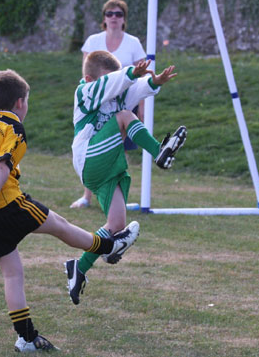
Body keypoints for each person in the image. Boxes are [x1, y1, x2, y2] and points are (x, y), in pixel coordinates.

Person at [0, 69, 138, 352]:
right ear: (20, 103)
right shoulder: (12, 128)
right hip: (5, 204)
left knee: (12, 274)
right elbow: (2, 167)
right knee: (59, 225)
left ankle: (26, 337)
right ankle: (108, 245)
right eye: (27, 101)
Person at [66, 51, 187, 304]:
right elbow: (113, 83)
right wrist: (130, 73)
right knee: (124, 117)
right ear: (88, 78)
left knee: (116, 224)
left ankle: (78, 269)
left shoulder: (112, 91)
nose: (117, 83)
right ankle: (159, 152)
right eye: (110, 79)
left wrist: (154, 82)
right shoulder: (84, 92)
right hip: (88, 156)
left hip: (102, 169)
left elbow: (131, 91)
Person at [71, 0, 146, 209]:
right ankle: (87, 196)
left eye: (118, 14)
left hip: (122, 102)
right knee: (91, 145)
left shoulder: (133, 43)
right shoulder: (93, 41)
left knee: (117, 148)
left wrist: (141, 108)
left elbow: (139, 77)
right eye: (109, 14)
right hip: (96, 104)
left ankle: (115, 195)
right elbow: (87, 73)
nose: (114, 18)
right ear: (104, 18)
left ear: (124, 19)